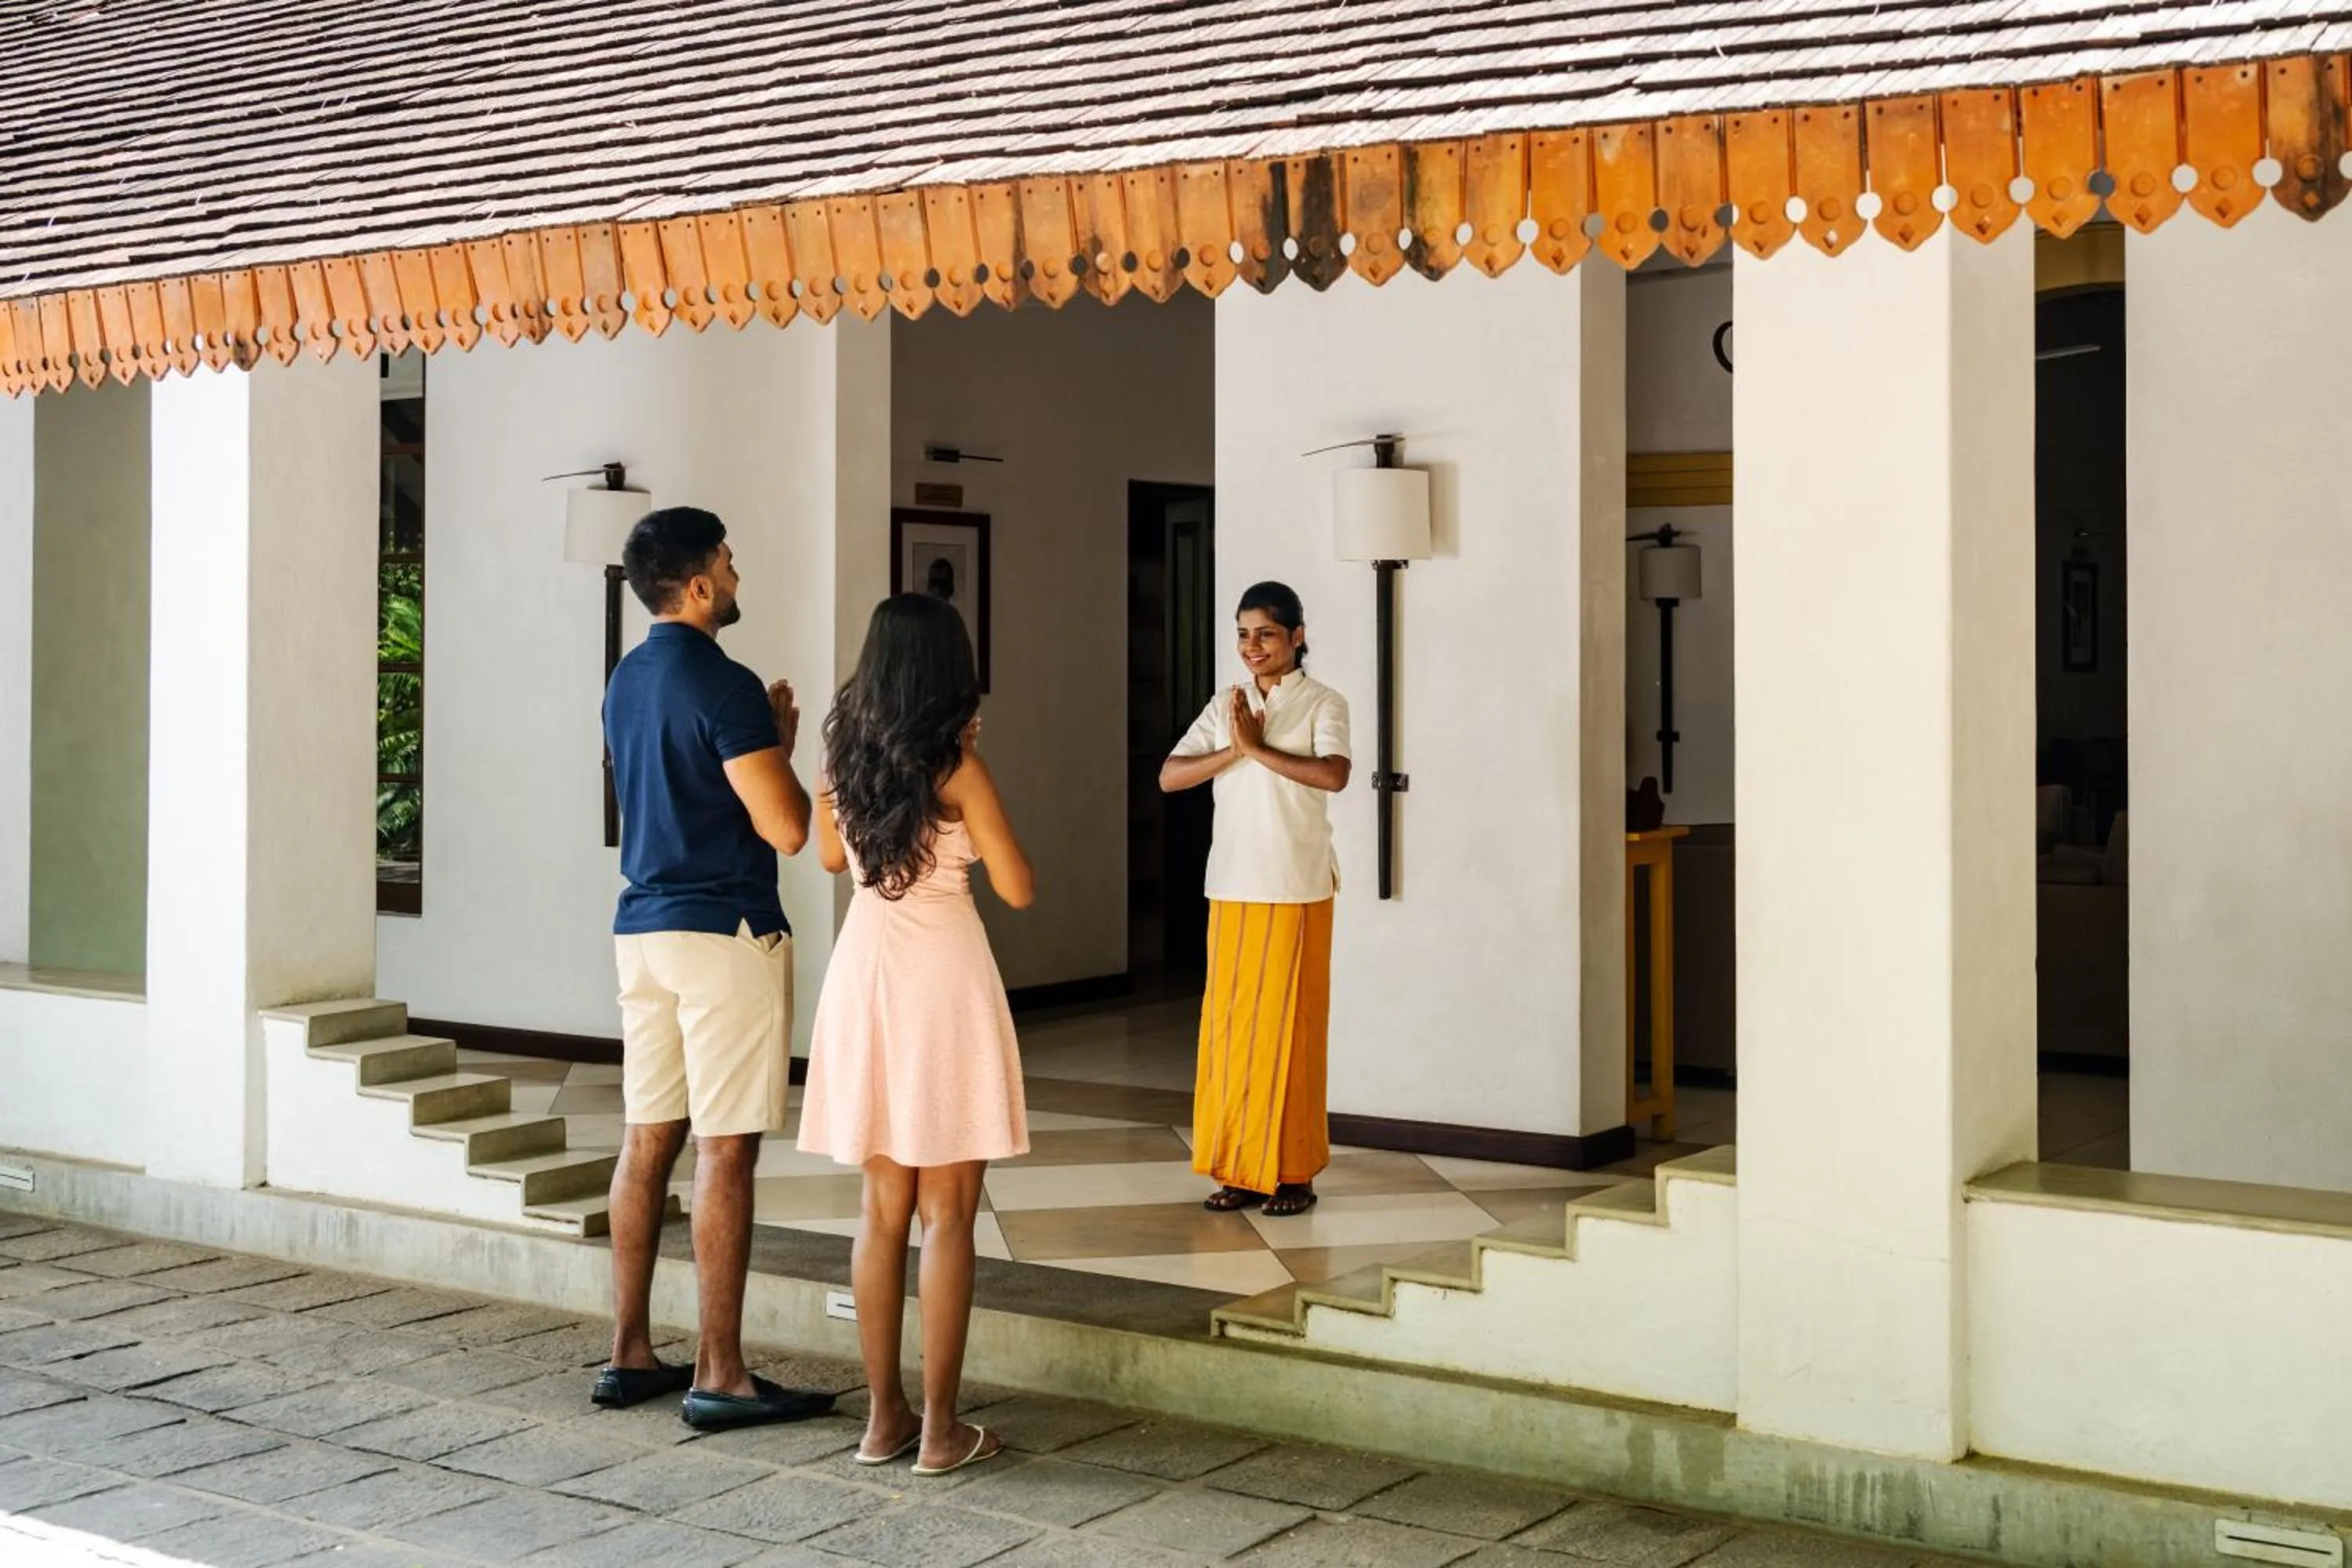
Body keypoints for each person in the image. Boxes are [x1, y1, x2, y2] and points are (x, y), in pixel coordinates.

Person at [593, 506, 834, 1432]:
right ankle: (722, 1371)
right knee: (726, 1145)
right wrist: (774, 738)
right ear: (696, 585)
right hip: (724, 927)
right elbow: (785, 827)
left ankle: (629, 1352)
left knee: (647, 1136)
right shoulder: (726, 685)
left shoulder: (623, 678)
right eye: (728, 563)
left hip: (640, 926)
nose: (736, 575)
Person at [797, 593, 1034, 1477]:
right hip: (942, 976)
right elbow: (1016, 887)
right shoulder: (959, 768)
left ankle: (881, 1419)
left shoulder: (843, 760)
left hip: (867, 971)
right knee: (950, 1213)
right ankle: (940, 1428)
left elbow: (828, 858)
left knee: (880, 1208)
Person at [1160, 581, 1351, 1218]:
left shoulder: (1325, 702)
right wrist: (1233, 747)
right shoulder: (1228, 704)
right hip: (1233, 883)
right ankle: (1239, 1169)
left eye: (1265, 634)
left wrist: (1258, 751)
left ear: (1297, 636)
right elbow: (1170, 775)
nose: (1252, 647)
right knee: (1232, 1031)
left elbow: (1334, 774)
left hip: (1296, 885)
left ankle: (1293, 1173)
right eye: (1243, 635)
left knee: (1291, 1031)